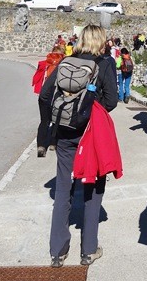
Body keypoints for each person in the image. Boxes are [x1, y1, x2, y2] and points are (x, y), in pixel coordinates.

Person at [38, 24, 118, 268]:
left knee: (63, 189)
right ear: (101, 41)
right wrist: (89, 110)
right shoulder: (104, 64)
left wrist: (51, 123)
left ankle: (58, 252)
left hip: (64, 133)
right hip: (90, 135)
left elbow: (44, 95)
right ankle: (89, 250)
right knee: (93, 189)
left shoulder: (66, 62)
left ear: (81, 39)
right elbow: (112, 101)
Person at [34, 44, 66, 156]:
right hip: (57, 96)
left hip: (43, 96)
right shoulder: (64, 65)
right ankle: (53, 143)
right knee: (57, 121)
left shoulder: (45, 63)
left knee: (44, 121)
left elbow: (36, 78)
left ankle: (41, 147)